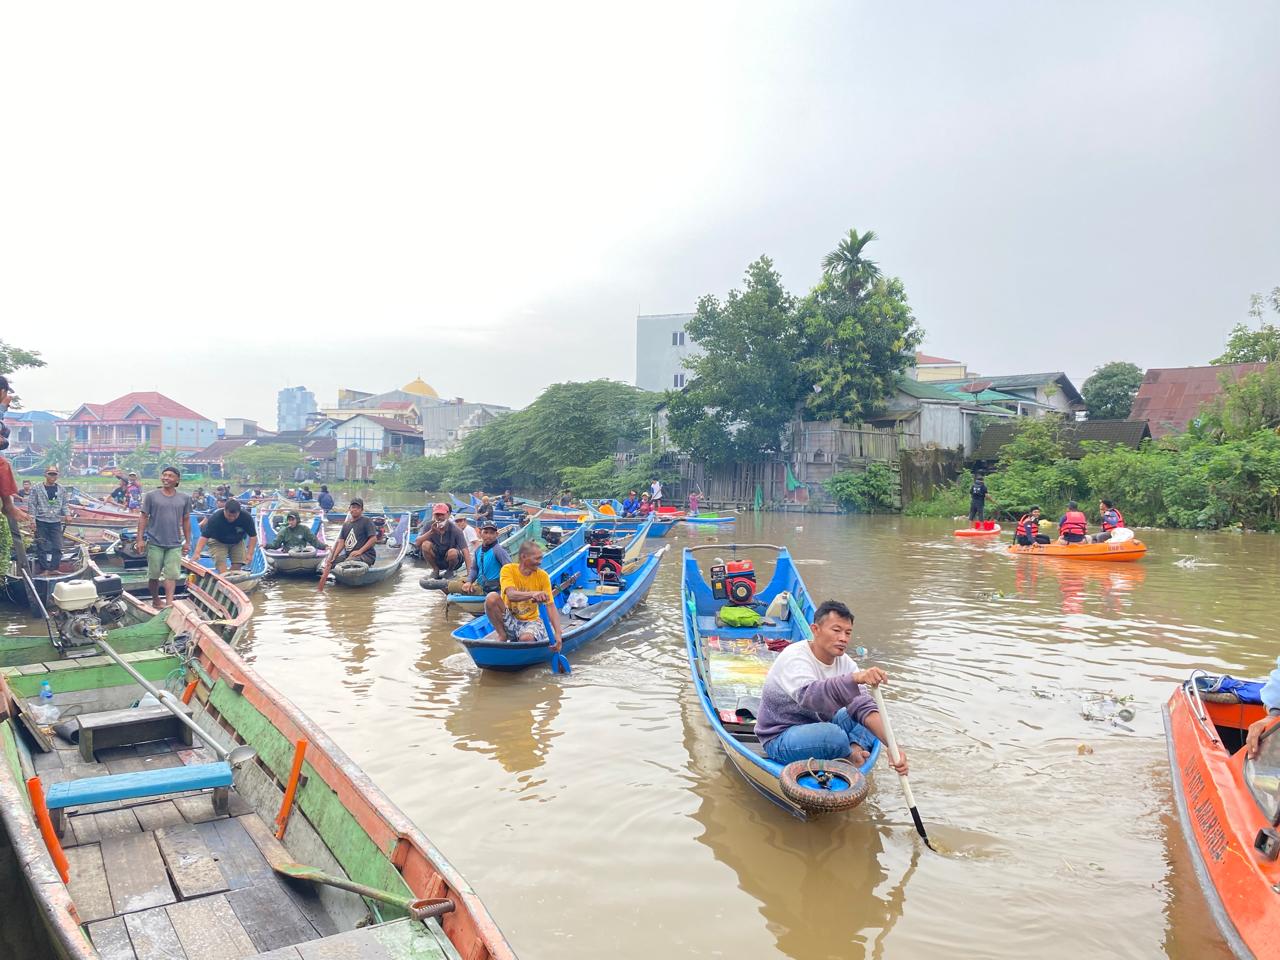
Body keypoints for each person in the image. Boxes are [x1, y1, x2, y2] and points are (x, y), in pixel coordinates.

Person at [754, 599, 910, 773]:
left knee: (875, 715)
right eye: (836, 630)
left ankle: (855, 748)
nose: (843, 638)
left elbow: (862, 706)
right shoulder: (795, 657)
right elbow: (810, 697)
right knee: (834, 736)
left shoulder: (846, 663)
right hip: (781, 737)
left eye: (848, 633)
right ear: (815, 630)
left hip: (821, 726)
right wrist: (855, 679)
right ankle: (847, 754)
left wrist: (893, 747)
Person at [484, 540, 563, 648]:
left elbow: (550, 606)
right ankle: (502, 635)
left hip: (531, 621)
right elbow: (511, 595)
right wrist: (533, 594)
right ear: (524, 557)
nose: (540, 562)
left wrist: (558, 633)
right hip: (510, 618)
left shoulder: (543, 576)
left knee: (526, 639)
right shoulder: (508, 569)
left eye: (541, 558)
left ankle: (524, 641)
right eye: (536, 559)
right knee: (491, 597)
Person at [136, 466, 192, 608]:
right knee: (154, 575)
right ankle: (155, 600)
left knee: (171, 575)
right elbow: (143, 517)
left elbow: (186, 520)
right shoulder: (151, 496)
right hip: (154, 542)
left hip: (175, 543)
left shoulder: (184, 498)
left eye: (170, 476)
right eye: (164, 475)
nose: (166, 478)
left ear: (177, 480)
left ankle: (169, 604)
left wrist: (187, 542)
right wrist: (140, 539)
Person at [318, 498, 378, 591]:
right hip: (349, 555)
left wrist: (360, 551)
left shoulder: (366, 521)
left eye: (357, 508)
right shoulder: (346, 524)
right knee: (331, 563)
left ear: (362, 510)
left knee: (349, 561)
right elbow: (341, 542)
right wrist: (334, 556)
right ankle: (321, 590)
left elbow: (373, 539)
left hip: (366, 555)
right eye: (353, 507)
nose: (355, 509)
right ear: (349, 509)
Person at [194, 498, 259, 574]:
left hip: (237, 542)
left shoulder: (246, 517)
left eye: (234, 516)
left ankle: (228, 578)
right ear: (224, 510)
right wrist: (197, 552)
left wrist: (250, 554)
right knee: (220, 562)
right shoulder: (216, 517)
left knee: (239, 563)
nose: (231, 518)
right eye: (229, 515)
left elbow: (253, 537)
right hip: (217, 541)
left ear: (239, 512)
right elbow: (204, 537)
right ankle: (224, 576)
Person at [28, 466, 71, 573]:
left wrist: (68, 514)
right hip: (41, 521)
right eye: (50, 473)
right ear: (45, 474)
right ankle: (44, 569)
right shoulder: (37, 488)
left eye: (54, 474)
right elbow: (32, 505)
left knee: (58, 546)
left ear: (58, 475)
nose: (52, 476)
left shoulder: (61, 489)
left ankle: (53, 569)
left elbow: (65, 504)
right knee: (42, 546)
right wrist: (32, 521)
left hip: (55, 521)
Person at [415, 503, 470, 576]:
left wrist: (469, 574)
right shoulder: (429, 525)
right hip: (437, 558)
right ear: (434, 515)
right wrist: (431, 532)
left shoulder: (456, 530)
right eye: (437, 514)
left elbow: (465, 551)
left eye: (442, 514)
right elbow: (417, 543)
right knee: (425, 545)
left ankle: (450, 570)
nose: (440, 517)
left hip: (452, 559)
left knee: (452, 552)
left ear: (448, 514)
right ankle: (435, 569)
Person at [462, 519, 510, 595]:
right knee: (453, 586)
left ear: (497, 534)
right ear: (480, 533)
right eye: (486, 532)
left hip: (496, 590)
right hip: (482, 587)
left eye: (492, 533)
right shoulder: (478, 550)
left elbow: (509, 569)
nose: (488, 536)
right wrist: (469, 581)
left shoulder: (499, 550)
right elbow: (474, 569)